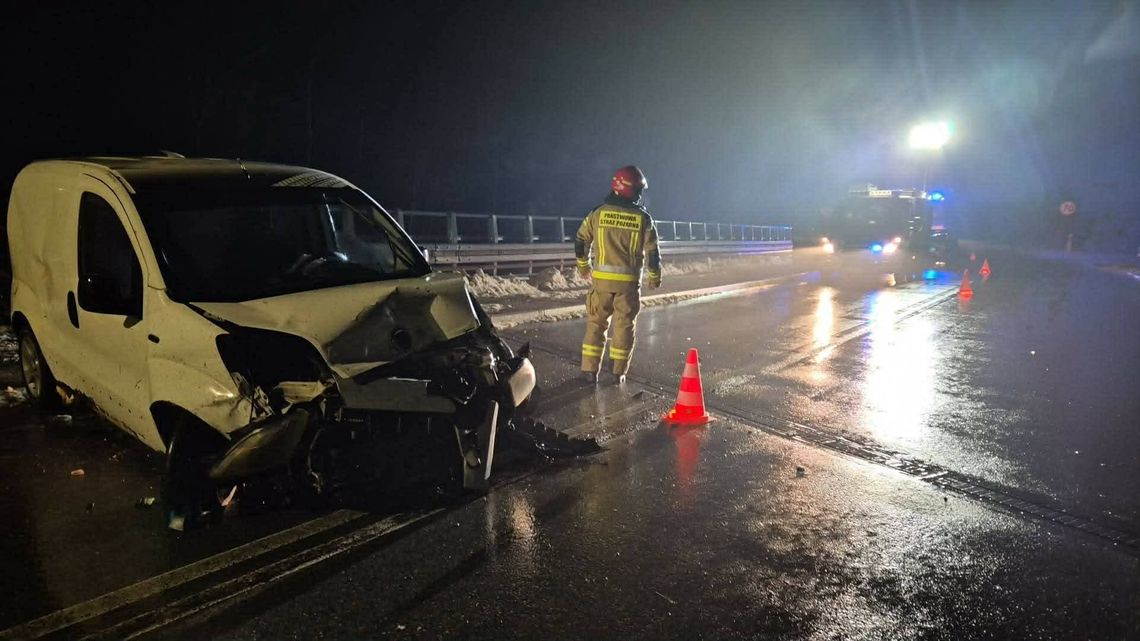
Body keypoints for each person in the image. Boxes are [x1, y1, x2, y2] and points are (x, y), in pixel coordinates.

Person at [575, 165, 662, 385]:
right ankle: (618, 372)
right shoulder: (643, 218)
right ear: (629, 189)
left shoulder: (598, 213)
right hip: (628, 288)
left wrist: (583, 267)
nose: (640, 195)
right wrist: (654, 277)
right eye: (638, 190)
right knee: (624, 328)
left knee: (596, 326)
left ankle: (589, 371)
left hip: (601, 285)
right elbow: (653, 252)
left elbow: (581, 240)